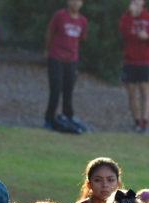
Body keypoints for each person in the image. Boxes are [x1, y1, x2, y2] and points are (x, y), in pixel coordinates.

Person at [119, 0, 149, 134]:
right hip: (129, 60)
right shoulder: (125, 18)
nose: (136, 3)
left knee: (145, 91)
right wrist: (131, 16)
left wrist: (148, 37)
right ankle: (136, 122)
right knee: (131, 92)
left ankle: (145, 123)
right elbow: (124, 33)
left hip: (145, 60)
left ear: (143, 3)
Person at [44, 0, 87, 129]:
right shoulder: (59, 16)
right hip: (56, 57)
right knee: (56, 89)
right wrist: (48, 50)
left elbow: (80, 39)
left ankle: (68, 116)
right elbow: (49, 34)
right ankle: (49, 119)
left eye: (78, 1)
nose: (75, 3)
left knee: (69, 90)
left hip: (72, 60)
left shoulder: (82, 21)